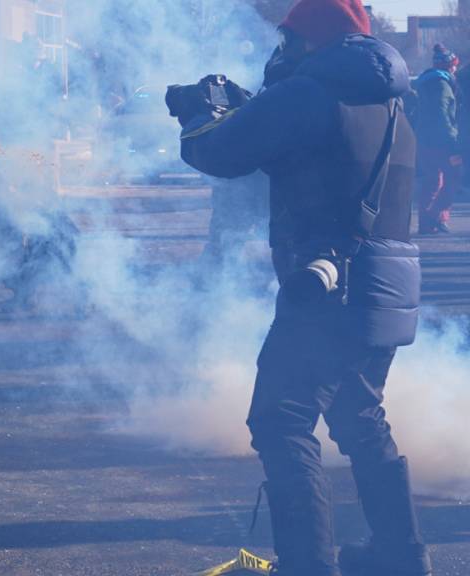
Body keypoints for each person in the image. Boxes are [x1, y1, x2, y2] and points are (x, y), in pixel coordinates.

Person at [172, 1, 428, 575]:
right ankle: (402, 556)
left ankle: (308, 566)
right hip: (386, 288)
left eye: (287, 37)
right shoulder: (391, 103)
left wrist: (197, 111)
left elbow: (217, 152)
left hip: (327, 290)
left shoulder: (308, 93)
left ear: (310, 38)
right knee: (361, 419)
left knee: (281, 421)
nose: (280, 48)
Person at [0, 36, 77, 312]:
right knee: (12, 223)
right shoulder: (17, 82)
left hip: (33, 161)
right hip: (17, 160)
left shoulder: (42, 82)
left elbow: (56, 117)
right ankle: (24, 288)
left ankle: (34, 289)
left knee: (40, 227)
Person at [412, 44, 460, 234]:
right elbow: (442, 114)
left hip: (425, 139)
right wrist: (452, 140)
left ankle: (429, 222)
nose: (455, 68)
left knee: (432, 180)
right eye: (454, 65)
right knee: (453, 177)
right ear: (448, 66)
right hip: (441, 141)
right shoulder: (441, 84)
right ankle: (434, 216)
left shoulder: (426, 82)